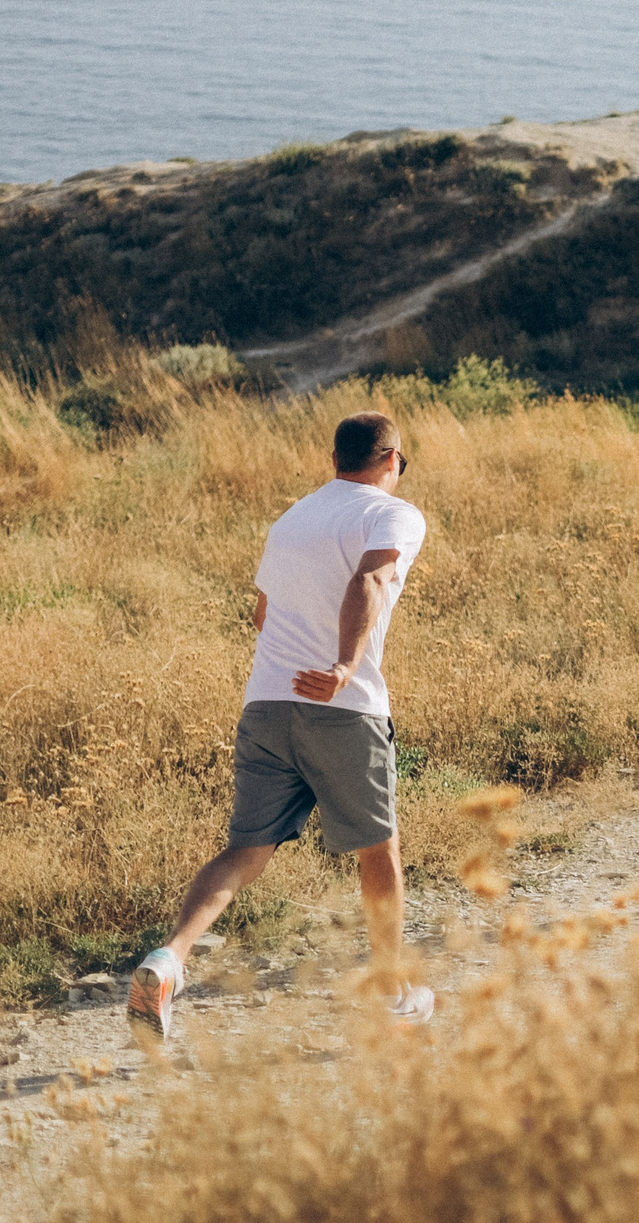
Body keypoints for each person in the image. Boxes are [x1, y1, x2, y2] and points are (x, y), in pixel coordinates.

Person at [127, 410, 435, 1045]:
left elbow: (263, 614)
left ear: (333, 461)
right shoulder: (391, 515)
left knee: (246, 850)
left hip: (265, 704)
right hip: (342, 708)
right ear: (390, 460)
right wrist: (346, 665)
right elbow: (372, 578)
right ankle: (390, 992)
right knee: (378, 849)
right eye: (400, 464)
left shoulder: (291, 519)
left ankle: (168, 961)